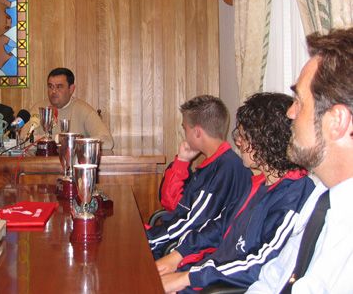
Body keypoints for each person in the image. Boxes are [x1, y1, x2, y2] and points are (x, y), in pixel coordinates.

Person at [156, 92, 315, 293]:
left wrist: (185, 278)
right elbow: (220, 226)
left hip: (220, 285)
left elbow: (260, 263)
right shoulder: (257, 183)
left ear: (264, 140)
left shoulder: (296, 194)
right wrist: (178, 255)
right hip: (207, 274)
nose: (238, 142)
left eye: (242, 136)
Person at [247, 28, 353, 293]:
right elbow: (272, 281)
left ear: (337, 122)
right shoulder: (321, 198)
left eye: (299, 101)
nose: (290, 113)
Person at [147, 95, 252, 259]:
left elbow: (194, 223)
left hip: (189, 251)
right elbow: (173, 204)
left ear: (196, 132)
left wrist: (148, 239)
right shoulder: (212, 164)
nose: (184, 134)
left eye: (185, 128)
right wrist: (181, 162)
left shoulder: (225, 169)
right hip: (175, 236)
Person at [24, 67, 114, 149]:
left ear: (71, 89)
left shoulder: (83, 110)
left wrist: (72, 142)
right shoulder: (39, 108)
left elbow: (107, 141)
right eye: (50, 86)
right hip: (43, 164)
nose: (53, 91)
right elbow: (23, 139)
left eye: (59, 87)